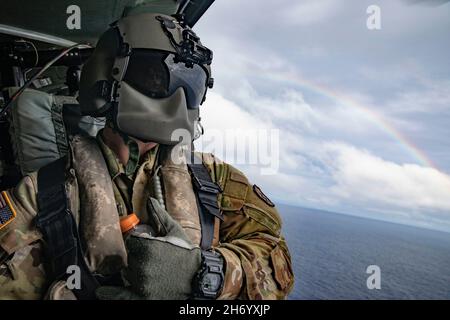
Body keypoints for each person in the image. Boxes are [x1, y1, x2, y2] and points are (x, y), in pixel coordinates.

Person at [0, 12, 294, 300]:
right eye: (157, 78)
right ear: (106, 77)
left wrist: (206, 274)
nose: (177, 98)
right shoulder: (42, 193)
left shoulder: (214, 178)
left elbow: (277, 260)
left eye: (190, 85)